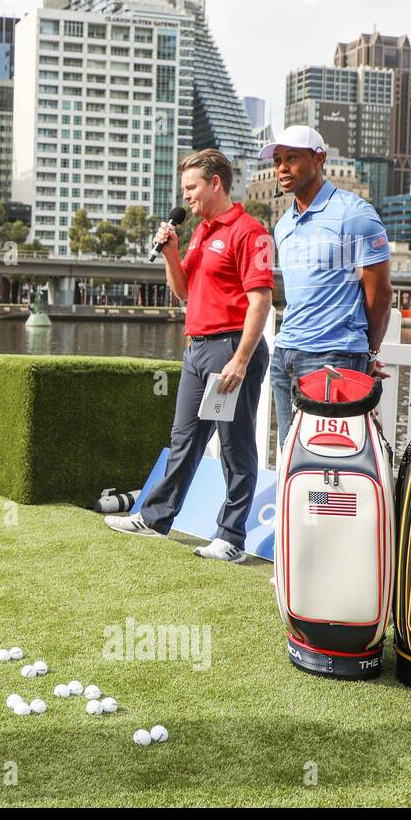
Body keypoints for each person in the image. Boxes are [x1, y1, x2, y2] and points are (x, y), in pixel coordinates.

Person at [105, 149, 273, 563]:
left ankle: (231, 538)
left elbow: (261, 301)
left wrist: (240, 360)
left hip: (229, 349)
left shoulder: (249, 232)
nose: (186, 197)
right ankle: (156, 518)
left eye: (191, 187)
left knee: (235, 446)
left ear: (216, 183)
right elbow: (184, 292)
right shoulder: (199, 232)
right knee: (184, 440)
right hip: (197, 349)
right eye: (185, 189)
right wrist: (170, 252)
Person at [263, 125, 393, 447]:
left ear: (319, 158)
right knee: (291, 457)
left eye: (291, 158)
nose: (281, 168)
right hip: (285, 355)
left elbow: (380, 294)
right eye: (277, 160)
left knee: (328, 464)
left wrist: (369, 352)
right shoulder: (283, 224)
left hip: (333, 356)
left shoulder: (355, 215)